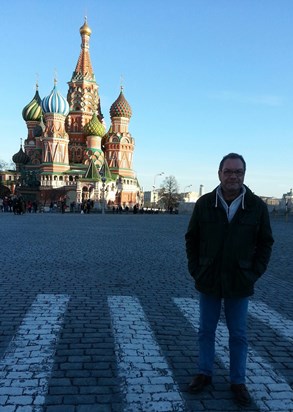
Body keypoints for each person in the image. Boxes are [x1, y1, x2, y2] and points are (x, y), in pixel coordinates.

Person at [185, 153, 274, 406]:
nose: (233, 176)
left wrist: (253, 272)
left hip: (239, 280)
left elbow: (265, 243)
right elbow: (191, 238)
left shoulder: (256, 206)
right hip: (209, 277)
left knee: (238, 334)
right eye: (228, 171)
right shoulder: (204, 204)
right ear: (219, 173)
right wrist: (196, 268)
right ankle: (204, 373)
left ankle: (238, 381)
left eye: (238, 172)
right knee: (205, 331)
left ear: (244, 175)